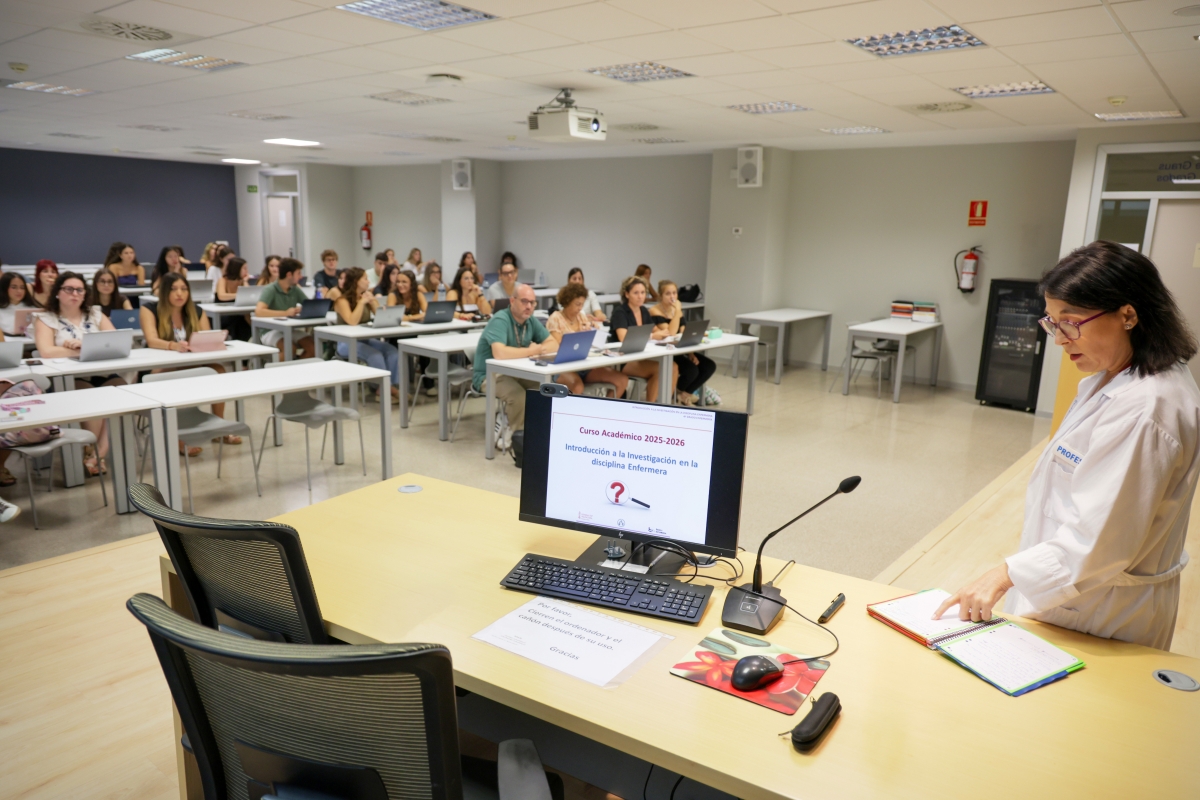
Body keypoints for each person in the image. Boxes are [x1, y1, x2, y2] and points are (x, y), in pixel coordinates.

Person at [936, 242, 1200, 651]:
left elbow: (1100, 544)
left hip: (1100, 612)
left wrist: (1004, 574)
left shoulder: (1145, 410)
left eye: (1071, 323)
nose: (1059, 339)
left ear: (1128, 315)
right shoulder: (1112, 378)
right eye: (1052, 323)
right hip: (1074, 595)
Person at [33, 272, 126, 476]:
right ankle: (90, 450)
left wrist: (83, 345)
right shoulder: (45, 318)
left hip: (99, 370)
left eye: (79, 290)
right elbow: (47, 351)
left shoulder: (95, 314)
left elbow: (115, 342)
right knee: (91, 394)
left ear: (85, 294)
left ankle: (99, 451)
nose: (74, 293)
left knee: (123, 390)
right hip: (65, 377)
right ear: (58, 292)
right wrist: (81, 349)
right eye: (68, 289)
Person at [140, 272, 239, 449]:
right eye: (174, 289)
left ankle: (219, 428)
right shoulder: (149, 309)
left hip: (191, 361)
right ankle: (176, 435)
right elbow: (152, 340)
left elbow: (205, 336)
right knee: (168, 375)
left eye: (184, 289)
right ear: (164, 292)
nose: (180, 294)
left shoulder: (196, 310)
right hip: (161, 365)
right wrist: (174, 346)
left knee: (218, 369)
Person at [472, 284, 555, 443]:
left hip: (515, 373)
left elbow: (553, 343)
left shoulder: (530, 320)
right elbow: (500, 353)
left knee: (544, 389)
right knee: (519, 396)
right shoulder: (500, 319)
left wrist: (538, 349)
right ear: (512, 300)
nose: (529, 306)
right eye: (524, 301)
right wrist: (532, 351)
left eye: (532, 302)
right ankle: (514, 437)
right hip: (488, 375)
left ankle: (531, 429)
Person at [546, 283, 629, 398]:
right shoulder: (555, 318)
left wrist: (591, 333)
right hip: (563, 367)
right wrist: (580, 335)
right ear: (567, 301)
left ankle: (603, 412)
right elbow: (558, 347)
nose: (580, 308)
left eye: (582, 304)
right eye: (577, 304)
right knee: (577, 387)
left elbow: (591, 345)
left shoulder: (581, 316)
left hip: (584, 365)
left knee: (622, 380)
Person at [332, 267, 400, 403]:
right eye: (365, 279)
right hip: (346, 343)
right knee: (375, 355)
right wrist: (361, 303)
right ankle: (386, 389)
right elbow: (352, 321)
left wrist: (373, 301)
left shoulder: (366, 295)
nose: (368, 282)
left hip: (365, 340)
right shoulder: (341, 300)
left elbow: (381, 316)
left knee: (391, 350)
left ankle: (388, 387)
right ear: (356, 281)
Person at [609, 276, 677, 403]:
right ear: (627, 294)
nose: (640, 296)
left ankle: (666, 404)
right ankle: (650, 408)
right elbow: (624, 338)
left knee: (673, 367)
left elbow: (656, 330)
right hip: (622, 358)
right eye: (636, 293)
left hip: (640, 354)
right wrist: (652, 336)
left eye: (642, 292)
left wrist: (662, 333)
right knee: (661, 368)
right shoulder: (620, 312)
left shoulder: (643, 311)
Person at [651, 280, 714, 405]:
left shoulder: (676, 311)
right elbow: (671, 333)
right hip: (665, 351)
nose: (672, 297)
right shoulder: (654, 311)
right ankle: (674, 393)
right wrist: (677, 312)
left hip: (679, 349)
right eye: (668, 294)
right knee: (692, 370)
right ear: (661, 296)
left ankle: (685, 394)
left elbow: (685, 333)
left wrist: (691, 353)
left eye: (674, 293)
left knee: (708, 366)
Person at [254, 258, 315, 360]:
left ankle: (298, 371)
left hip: (289, 329)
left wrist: (302, 309)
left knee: (313, 346)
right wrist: (285, 313)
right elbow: (259, 311)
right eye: (298, 273)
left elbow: (308, 304)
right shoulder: (270, 289)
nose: (300, 277)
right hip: (270, 331)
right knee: (289, 348)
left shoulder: (294, 289)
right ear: (289, 274)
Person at [215, 257, 252, 340]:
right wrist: (239, 294)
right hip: (224, 315)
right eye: (244, 268)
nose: (247, 271)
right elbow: (222, 296)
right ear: (237, 269)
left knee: (248, 317)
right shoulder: (223, 280)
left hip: (238, 314)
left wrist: (245, 281)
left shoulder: (242, 281)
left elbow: (248, 295)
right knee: (239, 319)